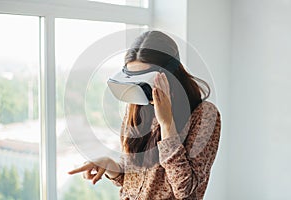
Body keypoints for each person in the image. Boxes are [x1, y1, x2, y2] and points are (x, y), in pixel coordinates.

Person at [68, 30, 221, 200]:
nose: (140, 88)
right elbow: (132, 178)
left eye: (145, 79)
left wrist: (167, 125)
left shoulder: (204, 115)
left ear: (170, 74)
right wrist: (110, 166)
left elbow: (185, 190)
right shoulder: (137, 107)